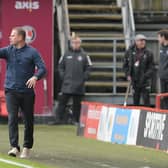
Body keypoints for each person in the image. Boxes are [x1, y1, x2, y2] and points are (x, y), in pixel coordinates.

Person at [0, 27, 46, 158]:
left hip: (27, 93)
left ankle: (26, 147)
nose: (10, 37)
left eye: (13, 35)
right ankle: (14, 146)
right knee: (12, 118)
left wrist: (35, 77)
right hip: (11, 91)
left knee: (28, 121)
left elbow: (43, 68)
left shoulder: (32, 52)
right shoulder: (8, 50)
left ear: (20, 37)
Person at [56, 34, 92, 125]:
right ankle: (58, 120)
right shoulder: (66, 54)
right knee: (62, 102)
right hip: (67, 84)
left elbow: (89, 68)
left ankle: (76, 120)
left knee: (77, 104)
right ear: (71, 43)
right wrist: (63, 76)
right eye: (74, 43)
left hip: (79, 85)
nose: (75, 44)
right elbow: (60, 67)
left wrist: (84, 78)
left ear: (80, 43)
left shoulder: (84, 55)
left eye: (77, 43)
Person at [123, 34, 154, 106]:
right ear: (136, 41)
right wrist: (127, 75)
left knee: (146, 100)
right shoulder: (129, 52)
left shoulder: (149, 53)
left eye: (144, 40)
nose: (143, 42)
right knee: (135, 100)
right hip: (134, 80)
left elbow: (151, 67)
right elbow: (125, 65)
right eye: (141, 40)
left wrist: (146, 76)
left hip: (145, 81)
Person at [158, 29, 168, 109]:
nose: (158, 39)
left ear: (163, 37)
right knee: (163, 97)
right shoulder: (161, 48)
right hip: (162, 77)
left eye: (159, 37)